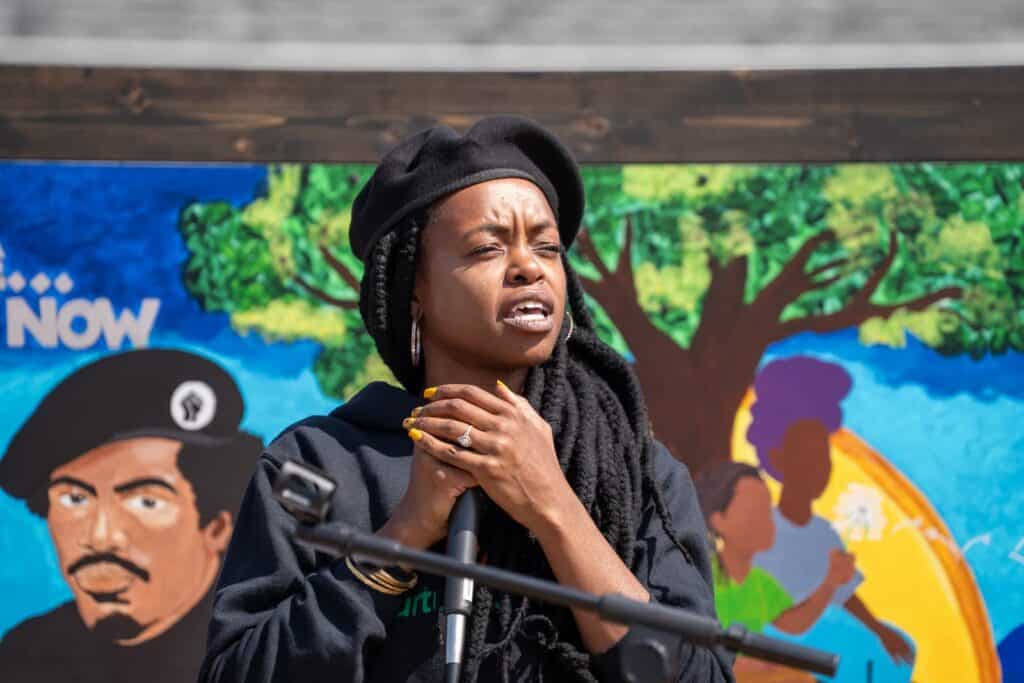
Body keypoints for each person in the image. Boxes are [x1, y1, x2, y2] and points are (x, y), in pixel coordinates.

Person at [199, 116, 735, 682]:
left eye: (547, 247)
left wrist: (552, 505)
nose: (529, 267)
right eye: (487, 248)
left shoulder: (631, 469)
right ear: (414, 291)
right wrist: (403, 536)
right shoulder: (318, 465)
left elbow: (697, 676)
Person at [0, 349, 262, 683]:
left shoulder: (262, 649)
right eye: (75, 498)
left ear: (216, 526)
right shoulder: (27, 654)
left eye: (146, 502)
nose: (101, 536)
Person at [746, 356, 915, 665]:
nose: (819, 470)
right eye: (807, 457)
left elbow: (845, 593)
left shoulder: (823, 534)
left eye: (824, 458)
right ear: (779, 458)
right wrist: (829, 583)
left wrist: (880, 630)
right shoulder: (761, 534)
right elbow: (784, 622)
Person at [695, 461, 855, 635]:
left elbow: (792, 623)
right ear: (718, 521)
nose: (766, 522)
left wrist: (830, 581)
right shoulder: (705, 578)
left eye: (766, 510)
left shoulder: (759, 583)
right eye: (752, 512)